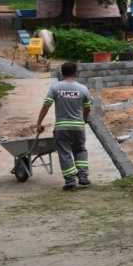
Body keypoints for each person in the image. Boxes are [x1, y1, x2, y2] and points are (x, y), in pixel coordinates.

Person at [35, 62, 92, 192]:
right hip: (78, 127)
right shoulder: (83, 89)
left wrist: (38, 123)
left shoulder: (55, 88)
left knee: (65, 153)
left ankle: (71, 182)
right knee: (80, 150)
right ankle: (83, 177)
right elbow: (88, 108)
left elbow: (46, 106)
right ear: (75, 73)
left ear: (62, 73)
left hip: (62, 128)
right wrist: (83, 120)